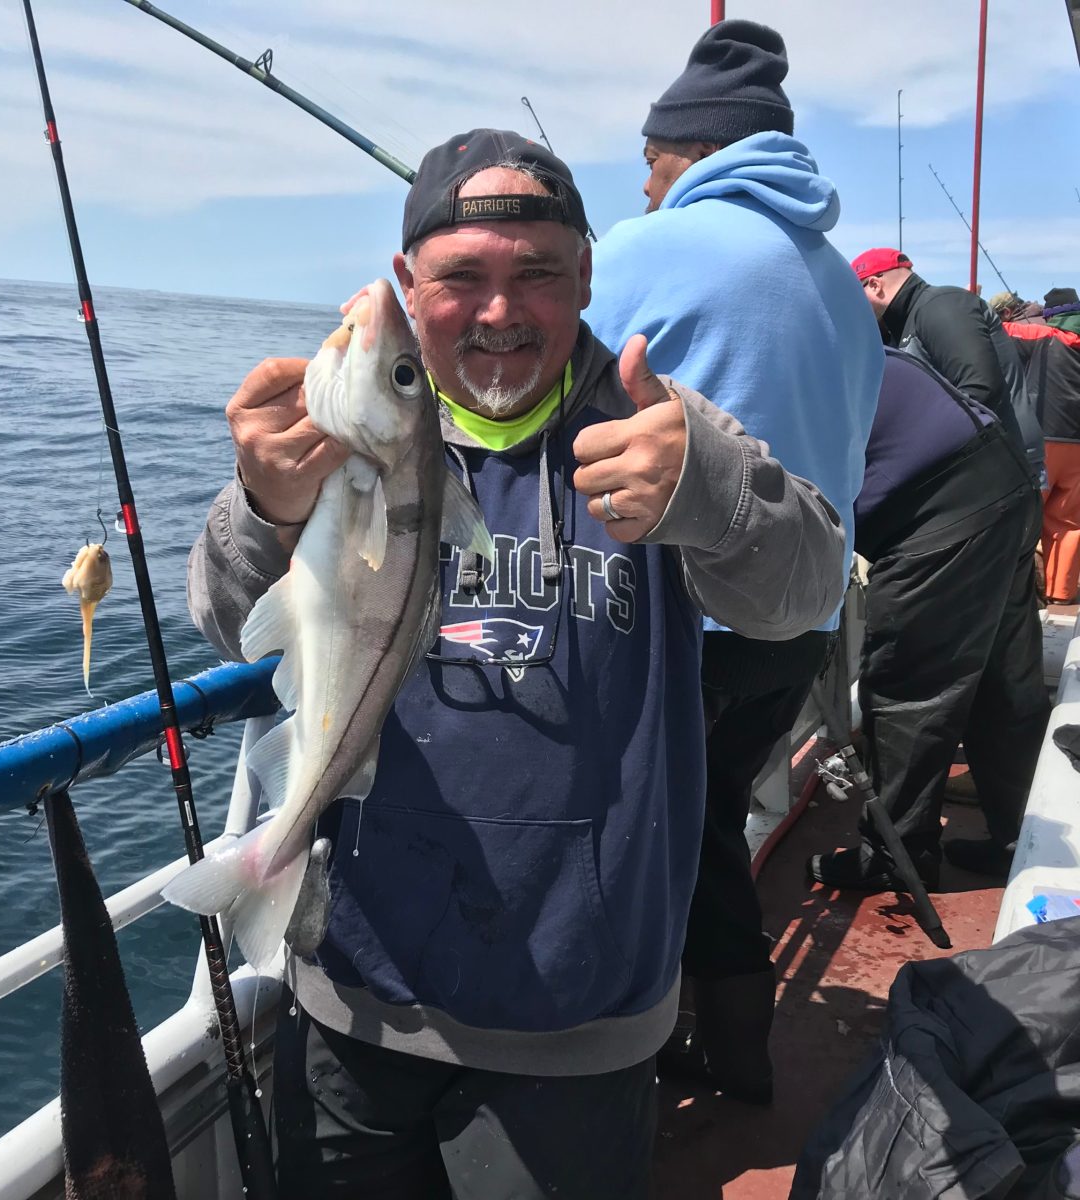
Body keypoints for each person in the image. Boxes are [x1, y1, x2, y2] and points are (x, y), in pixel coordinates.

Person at [187, 129, 847, 1198]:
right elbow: (226, 621)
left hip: (577, 1025)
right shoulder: (340, 446)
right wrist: (264, 508)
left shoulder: (656, 423)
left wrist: (710, 493)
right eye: (461, 280)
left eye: (538, 273)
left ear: (586, 275)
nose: (500, 312)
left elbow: (806, 592)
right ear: (408, 287)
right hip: (351, 996)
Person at [584, 18, 882, 1104]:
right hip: (795, 630)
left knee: (652, 842)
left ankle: (650, 1058)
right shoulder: (846, 287)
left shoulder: (643, 245)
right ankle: (738, 1057)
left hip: (685, 627)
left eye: (652, 161)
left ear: (690, 150)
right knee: (706, 824)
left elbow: (519, 393)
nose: (644, 181)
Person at [808, 349, 1049, 889]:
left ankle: (897, 859)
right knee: (999, 679)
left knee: (906, 690)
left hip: (938, 513)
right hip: (1001, 481)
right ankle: (1018, 834)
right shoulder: (840, 340)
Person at [852, 247, 1047, 489]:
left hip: (1002, 468)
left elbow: (980, 389)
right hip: (979, 466)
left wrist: (911, 449)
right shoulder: (906, 322)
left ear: (874, 285)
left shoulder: (940, 305)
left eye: (854, 295)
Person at [1006, 286, 1080, 602]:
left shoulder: (1041, 335)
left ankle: (1021, 595)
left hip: (1044, 441)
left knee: (1025, 516)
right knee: (1068, 522)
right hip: (1079, 447)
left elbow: (993, 330)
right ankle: (1061, 594)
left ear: (1052, 315)